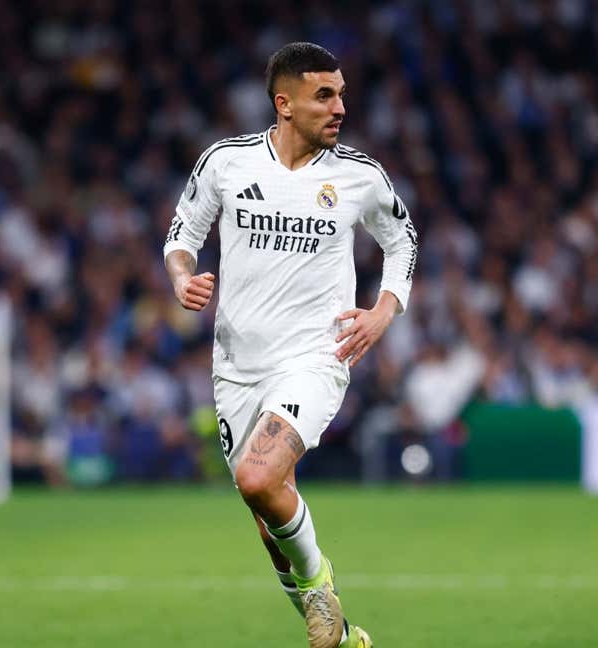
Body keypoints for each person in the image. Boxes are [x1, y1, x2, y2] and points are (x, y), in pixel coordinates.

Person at [164, 43, 418, 648]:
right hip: (236, 367)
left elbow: (402, 240)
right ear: (285, 103)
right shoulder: (226, 163)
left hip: (315, 358)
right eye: (324, 96)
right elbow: (182, 231)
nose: (339, 108)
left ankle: (319, 588)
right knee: (266, 508)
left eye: (342, 94)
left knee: (257, 478)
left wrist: (385, 310)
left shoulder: (359, 175)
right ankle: (345, 634)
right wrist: (181, 277)